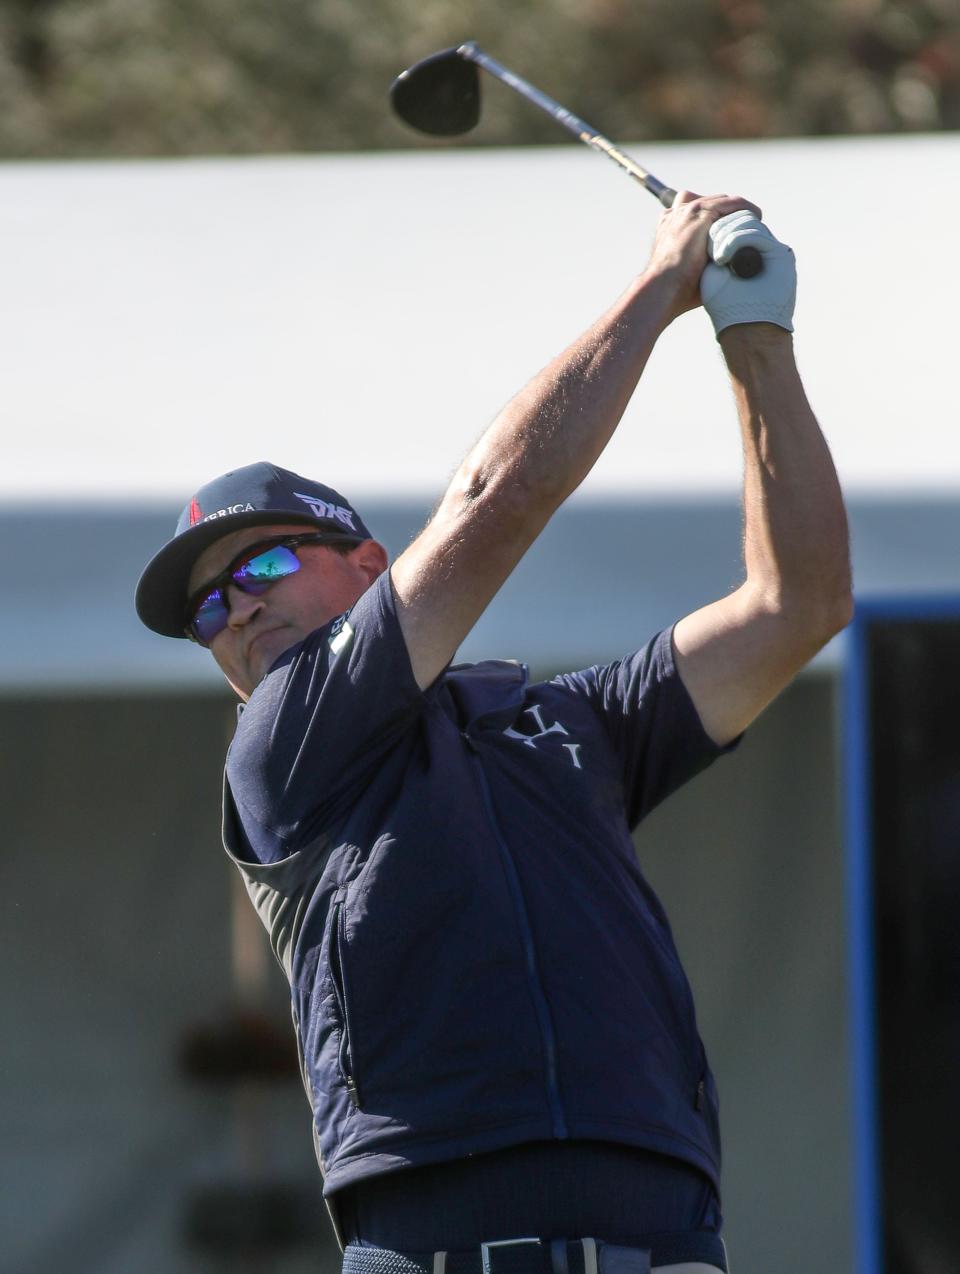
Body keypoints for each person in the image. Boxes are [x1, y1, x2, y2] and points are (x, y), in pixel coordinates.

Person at [135, 192, 851, 1274]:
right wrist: (662, 283)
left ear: (369, 566)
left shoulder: (564, 719)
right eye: (205, 608)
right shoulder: (279, 743)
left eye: (265, 562)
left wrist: (755, 338)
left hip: (661, 1228)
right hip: (436, 1241)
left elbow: (798, 601)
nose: (234, 607)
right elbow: (496, 496)